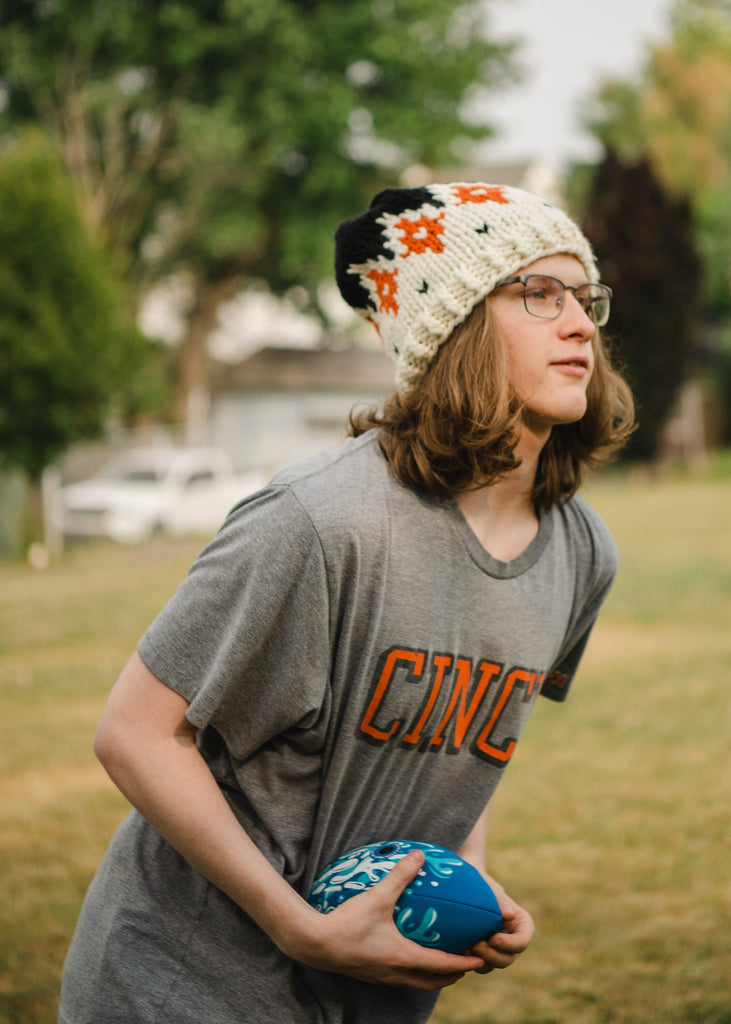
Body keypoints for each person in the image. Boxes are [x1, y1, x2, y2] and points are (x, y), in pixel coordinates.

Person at [58, 182, 634, 1024]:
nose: (581, 324)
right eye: (538, 295)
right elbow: (136, 736)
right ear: (458, 327)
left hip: (371, 999)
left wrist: (469, 881)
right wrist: (302, 931)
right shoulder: (320, 521)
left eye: (585, 299)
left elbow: (459, 754)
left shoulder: (583, 552)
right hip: (182, 988)